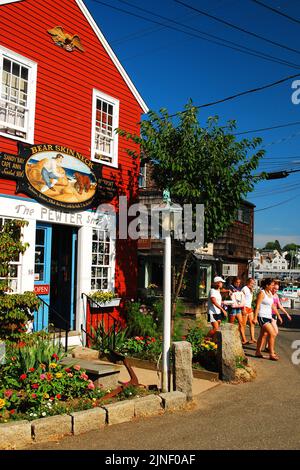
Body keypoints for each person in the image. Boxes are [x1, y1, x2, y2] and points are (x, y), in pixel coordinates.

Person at [253, 278, 279, 361]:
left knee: (263, 335)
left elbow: (272, 306)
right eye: (272, 285)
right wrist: (254, 318)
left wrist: (278, 315)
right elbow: (257, 306)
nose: (273, 286)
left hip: (268, 316)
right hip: (262, 316)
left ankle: (257, 352)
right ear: (267, 285)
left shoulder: (270, 294)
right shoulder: (262, 293)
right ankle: (271, 353)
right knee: (273, 334)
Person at [264, 281, 292, 352]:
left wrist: (286, 314)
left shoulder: (276, 295)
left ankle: (267, 346)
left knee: (267, 333)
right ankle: (269, 348)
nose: (275, 290)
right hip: (269, 315)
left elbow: (279, 306)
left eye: (277, 289)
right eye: (275, 288)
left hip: (275, 315)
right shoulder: (268, 294)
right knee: (275, 331)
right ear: (272, 287)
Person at [228, 276, 247, 345]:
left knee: (241, 323)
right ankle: (230, 338)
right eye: (237, 282)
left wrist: (243, 308)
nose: (238, 284)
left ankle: (244, 339)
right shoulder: (230, 287)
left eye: (239, 282)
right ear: (234, 282)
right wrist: (228, 291)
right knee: (231, 324)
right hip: (232, 307)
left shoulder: (239, 288)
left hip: (238, 307)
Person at [241, 277, 256, 344]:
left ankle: (252, 338)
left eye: (253, 283)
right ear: (247, 282)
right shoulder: (244, 289)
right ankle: (243, 339)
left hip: (249, 308)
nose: (252, 284)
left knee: (252, 323)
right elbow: (242, 299)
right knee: (243, 324)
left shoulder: (251, 289)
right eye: (251, 283)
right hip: (245, 307)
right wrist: (243, 308)